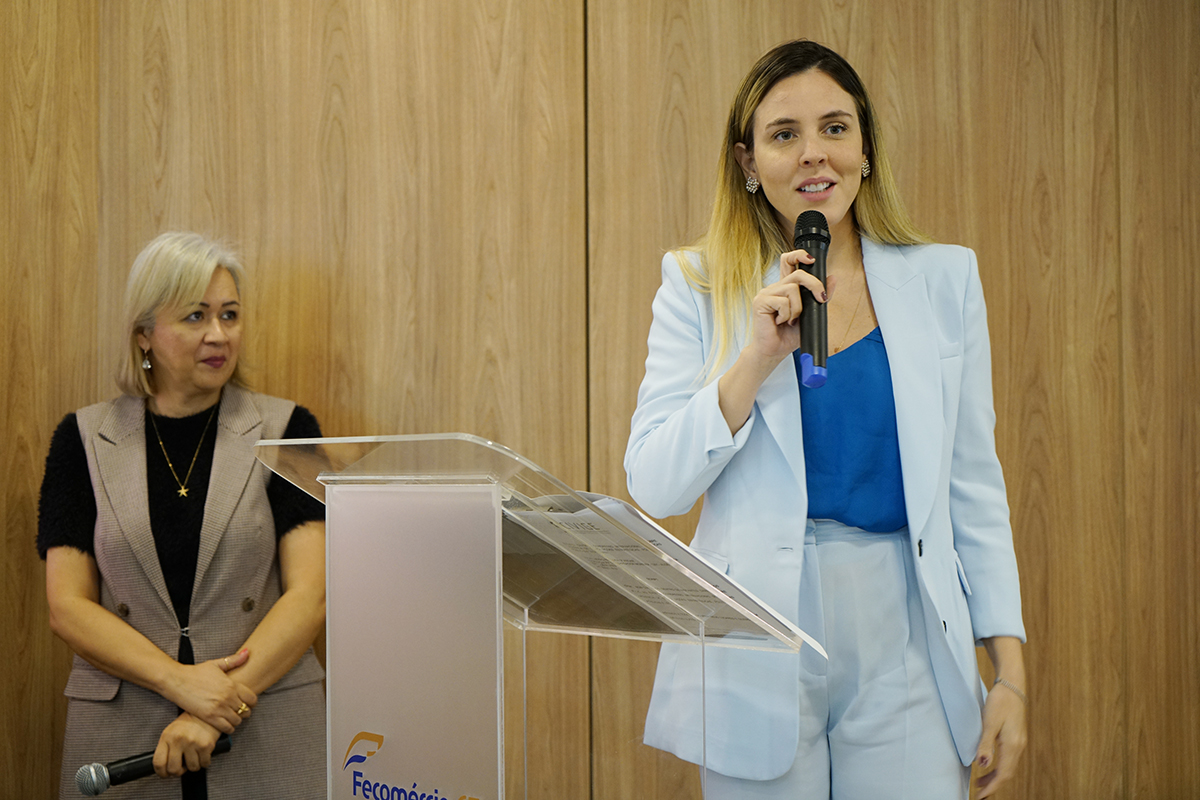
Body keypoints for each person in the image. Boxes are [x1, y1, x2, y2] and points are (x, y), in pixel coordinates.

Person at [625, 40, 1027, 799]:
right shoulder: (697, 283)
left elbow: (974, 489)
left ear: (866, 147)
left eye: (836, 128)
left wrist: (1010, 673)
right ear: (748, 162)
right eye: (784, 135)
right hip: (758, 635)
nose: (815, 155)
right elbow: (655, 483)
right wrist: (753, 361)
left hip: (902, 624)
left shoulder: (945, 280)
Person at [38, 232, 327, 799]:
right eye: (195, 316)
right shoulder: (82, 439)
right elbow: (67, 606)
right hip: (124, 736)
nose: (219, 334)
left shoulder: (291, 429)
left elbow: (311, 594)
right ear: (144, 334)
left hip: (263, 724)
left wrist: (216, 707)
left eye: (230, 314)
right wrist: (181, 685)